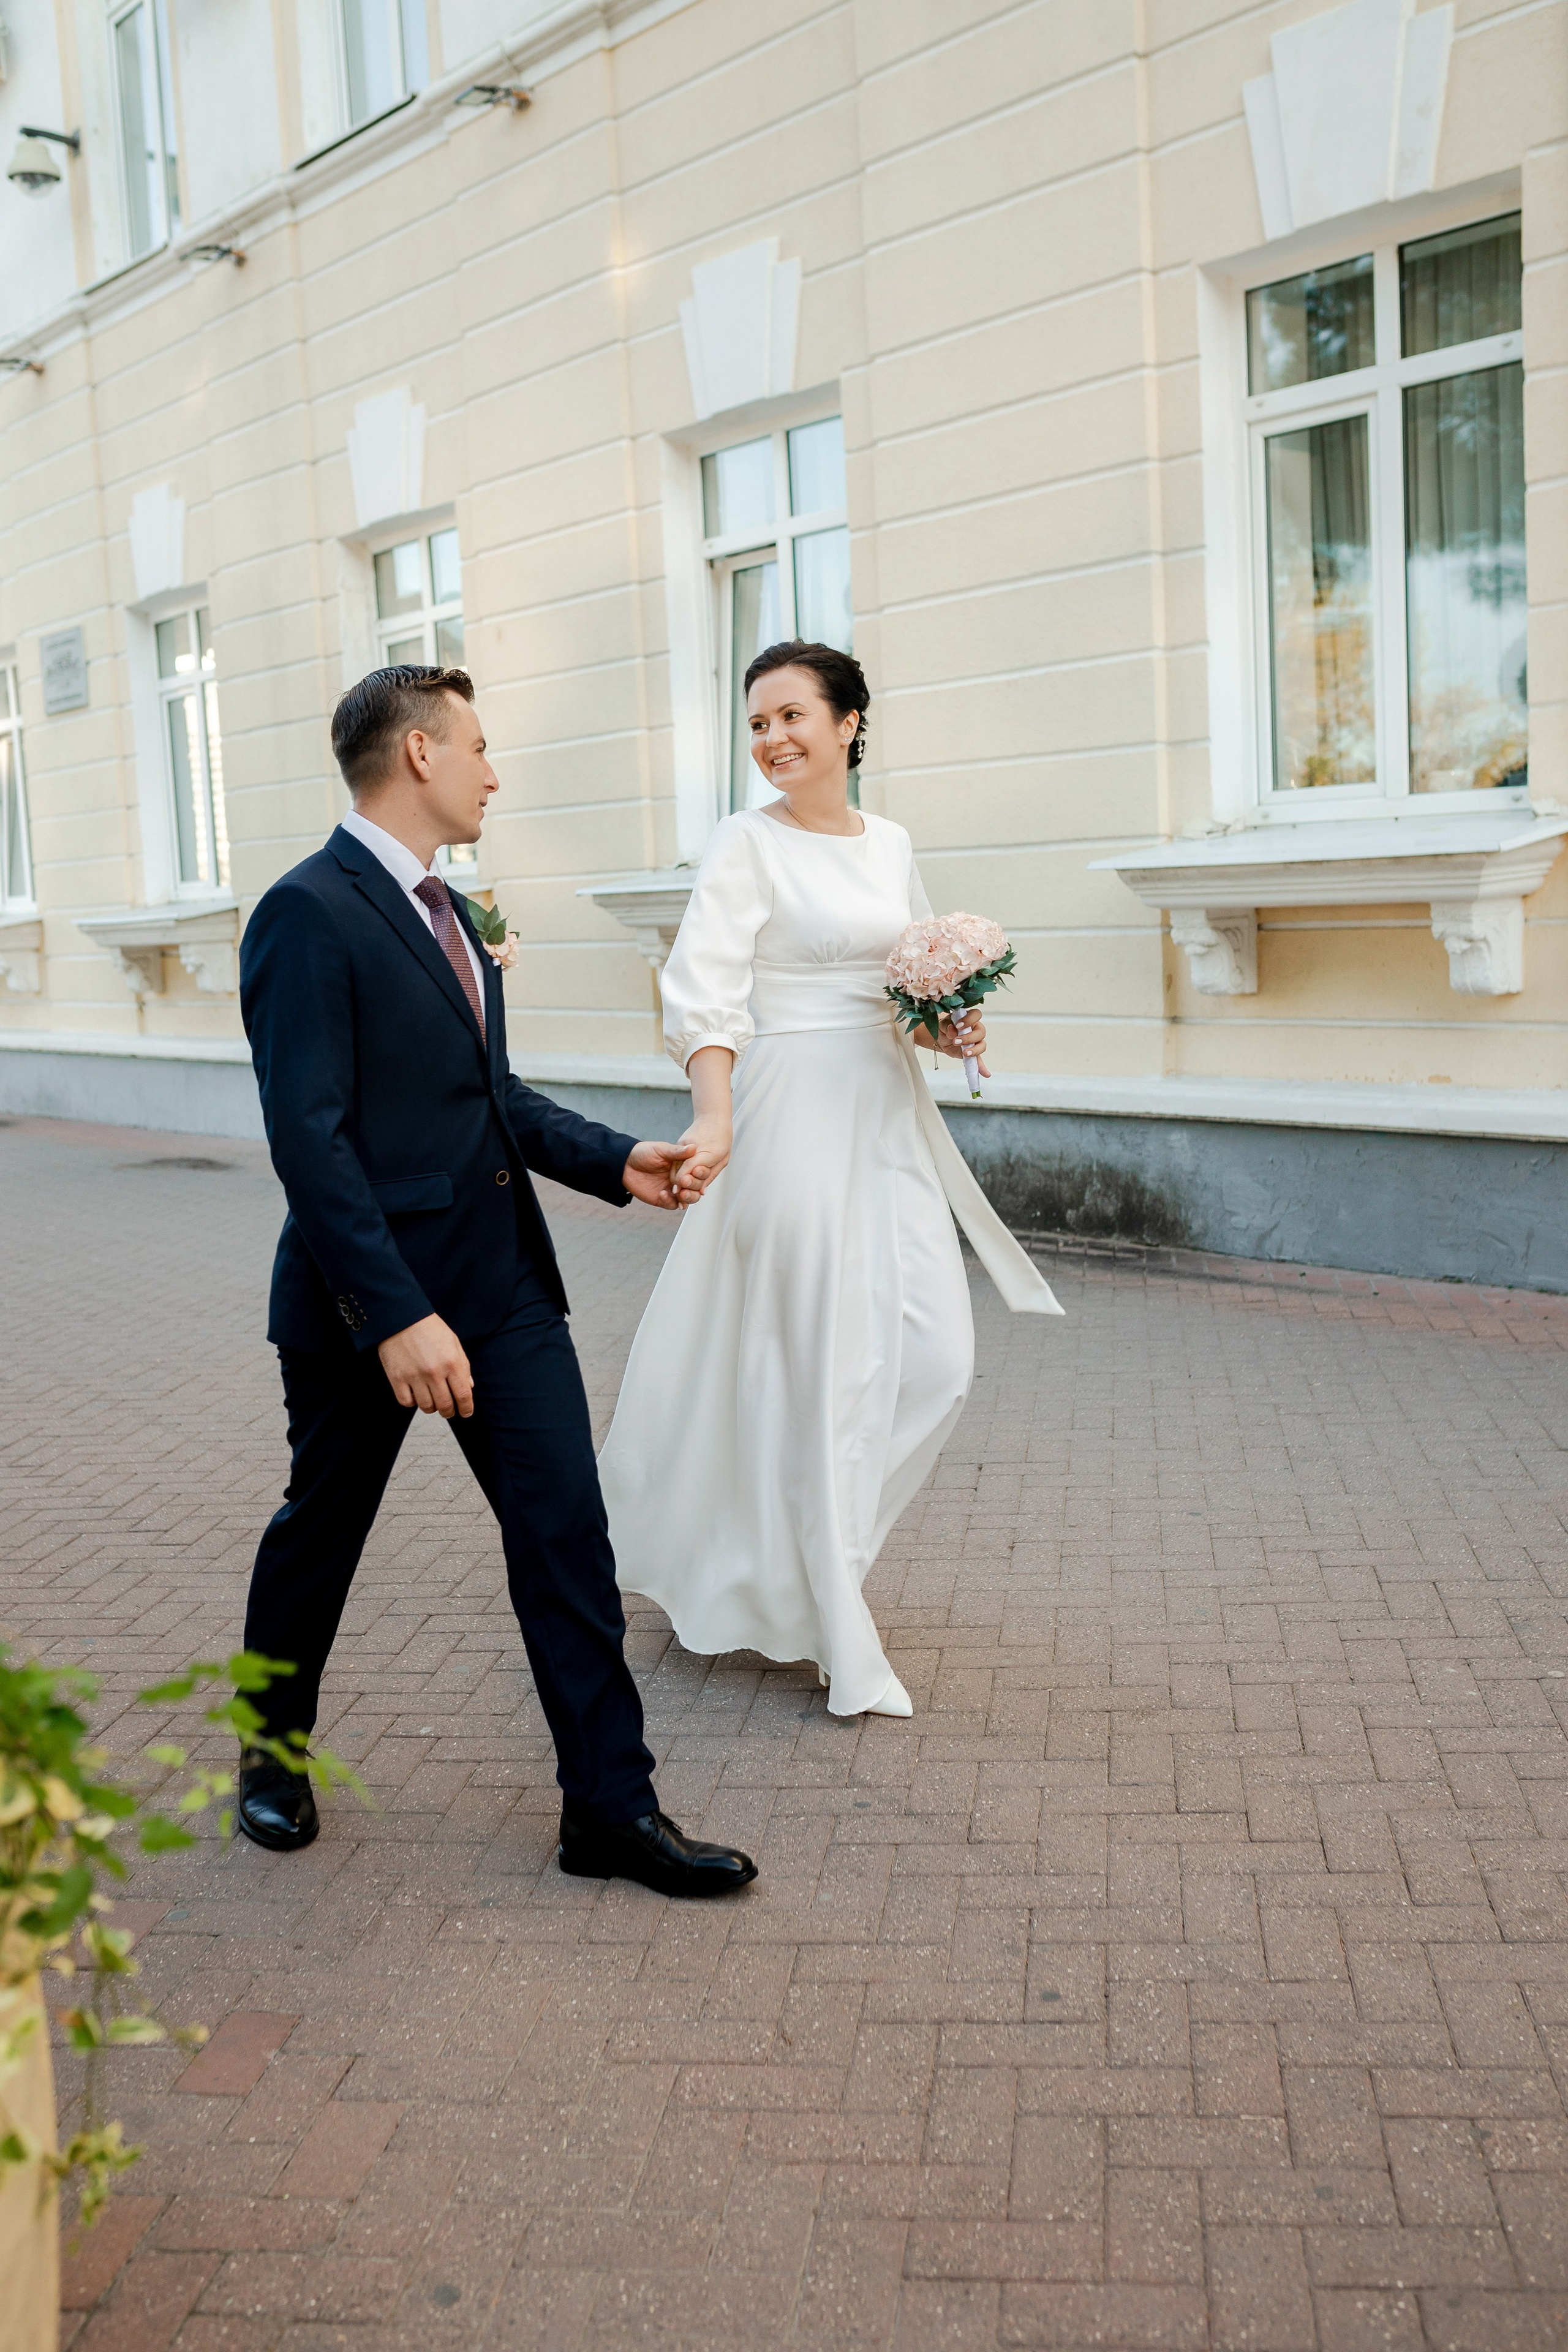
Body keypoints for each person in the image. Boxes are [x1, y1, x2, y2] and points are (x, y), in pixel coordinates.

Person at [236, 663, 755, 1899]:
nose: (492, 769)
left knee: (566, 1535)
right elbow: (311, 1139)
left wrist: (617, 1160)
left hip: (505, 1289)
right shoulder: (306, 912)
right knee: (323, 1532)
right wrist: (394, 1316)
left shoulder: (455, 917)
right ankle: (265, 1755)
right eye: (475, 745)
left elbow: (492, 1101)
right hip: (369, 1309)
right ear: (417, 754)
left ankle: (608, 1812)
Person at [600, 641, 1060, 1719]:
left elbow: (909, 979)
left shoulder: (890, 842)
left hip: (887, 1113)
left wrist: (952, 1023)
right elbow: (703, 992)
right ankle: (832, 1614)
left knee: (935, 1357)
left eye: (794, 716)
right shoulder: (742, 845)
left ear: (850, 723)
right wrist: (714, 1118)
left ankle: (808, 1561)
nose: (773, 740)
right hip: (786, 1115)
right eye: (757, 724)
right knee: (823, 1366)